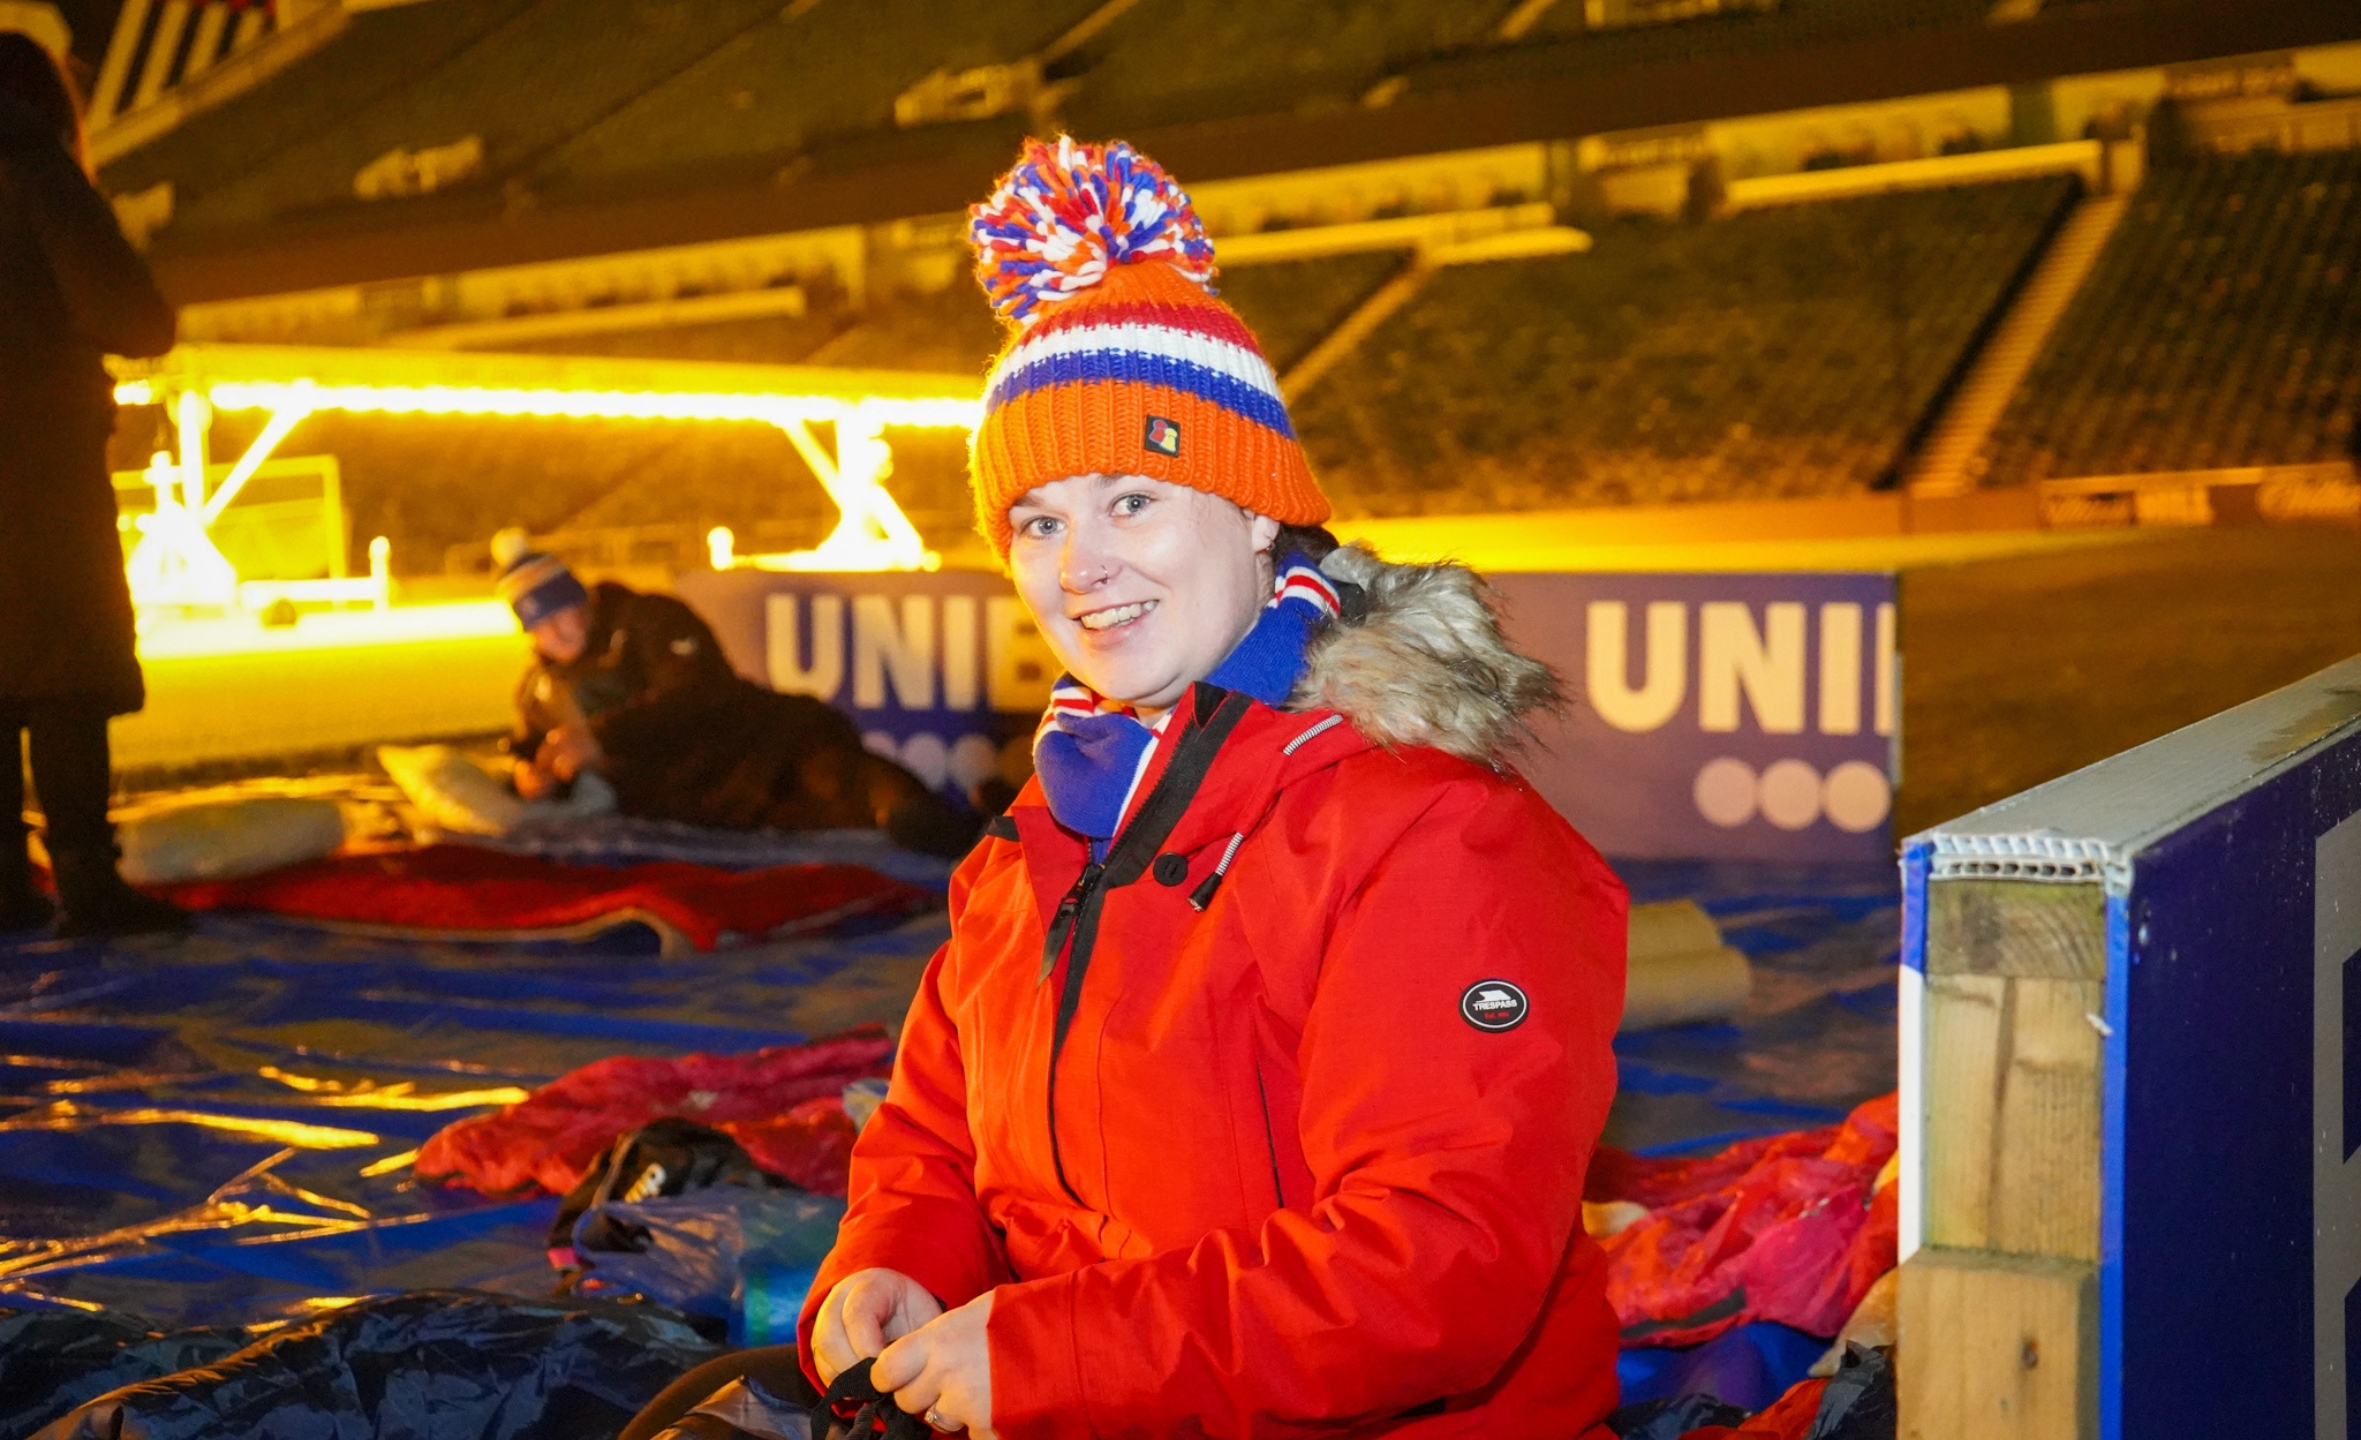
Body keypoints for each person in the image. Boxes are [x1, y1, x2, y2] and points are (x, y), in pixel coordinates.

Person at [624, 137, 1628, 1440]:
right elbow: (934, 1130)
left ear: (1257, 513)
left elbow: (1437, 1265)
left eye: (1132, 501)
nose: (1079, 567)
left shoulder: (1434, 834)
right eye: (1038, 521)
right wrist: (896, 1260)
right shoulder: (1046, 829)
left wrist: (1058, 1353)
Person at [0, 32, 186, 938]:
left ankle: (3, 886)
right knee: (64, 671)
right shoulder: (34, 168)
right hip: (36, 468)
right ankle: (85, 878)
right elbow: (131, 317)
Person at [495, 534, 980, 858]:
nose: (553, 632)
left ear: (582, 598)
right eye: (538, 625)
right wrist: (535, 780)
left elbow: (698, 694)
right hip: (704, 804)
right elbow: (535, 754)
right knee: (828, 826)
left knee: (850, 787)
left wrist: (603, 737)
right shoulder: (540, 694)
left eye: (559, 612)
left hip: (763, 743)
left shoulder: (648, 619)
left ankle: (974, 840)